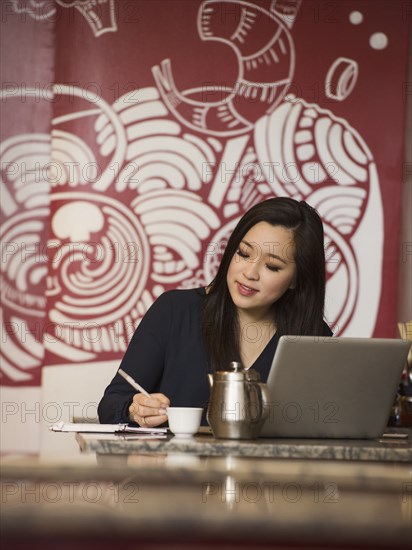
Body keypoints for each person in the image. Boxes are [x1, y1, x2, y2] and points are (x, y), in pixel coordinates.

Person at [98, 197, 332, 427]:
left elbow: (328, 423)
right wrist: (134, 409)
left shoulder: (313, 336)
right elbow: (111, 405)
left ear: (296, 279)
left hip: (269, 466)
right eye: (243, 253)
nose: (250, 273)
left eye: (272, 266)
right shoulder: (174, 311)